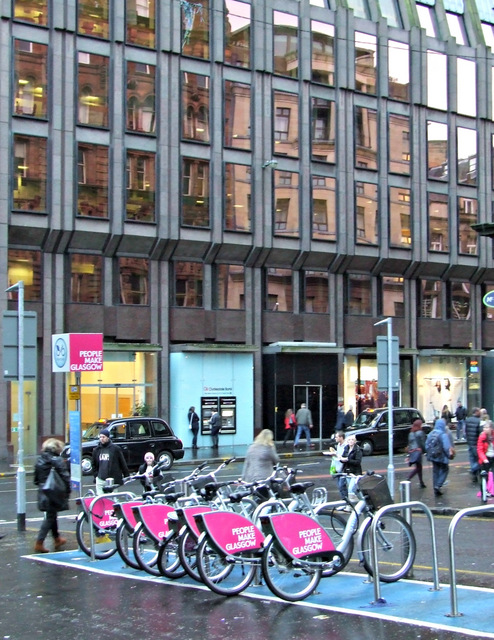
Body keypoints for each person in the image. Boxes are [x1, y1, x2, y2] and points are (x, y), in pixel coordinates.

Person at [33, 438, 71, 553]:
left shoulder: (40, 460)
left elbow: (36, 480)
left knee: (52, 515)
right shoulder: (57, 460)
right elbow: (65, 477)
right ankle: (39, 543)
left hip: (43, 491)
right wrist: (67, 491)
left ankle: (57, 538)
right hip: (54, 491)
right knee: (50, 517)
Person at [92, 428, 130, 495]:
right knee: (100, 499)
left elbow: (122, 462)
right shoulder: (97, 450)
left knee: (112, 499)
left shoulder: (115, 449)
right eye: (100, 437)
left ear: (108, 437)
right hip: (100, 479)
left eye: (103, 437)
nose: (101, 439)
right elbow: (94, 464)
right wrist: (96, 476)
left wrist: (126, 475)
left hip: (112, 480)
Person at [425, 418, 452, 496]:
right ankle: (438, 485)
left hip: (433, 455)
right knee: (445, 469)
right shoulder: (443, 434)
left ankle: (435, 488)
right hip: (441, 456)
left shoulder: (431, 433)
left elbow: (426, 445)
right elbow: (446, 447)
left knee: (435, 471)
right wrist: (449, 455)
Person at [324, 430, 347, 499]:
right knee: (340, 487)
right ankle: (343, 501)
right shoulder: (338, 445)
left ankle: (346, 502)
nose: (335, 438)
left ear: (341, 437)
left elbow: (343, 456)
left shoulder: (345, 446)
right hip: (337, 467)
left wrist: (335, 454)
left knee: (341, 486)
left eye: (336, 437)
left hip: (343, 468)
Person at [338, 435, 363, 500]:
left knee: (351, 489)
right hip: (347, 472)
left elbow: (358, 461)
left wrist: (348, 460)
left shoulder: (358, 449)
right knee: (348, 489)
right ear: (347, 441)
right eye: (349, 440)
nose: (351, 441)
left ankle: (356, 503)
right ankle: (351, 503)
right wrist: (341, 459)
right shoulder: (346, 448)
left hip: (355, 473)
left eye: (352, 440)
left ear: (355, 441)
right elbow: (343, 457)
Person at [406, 419, 427, 488]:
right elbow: (422, 443)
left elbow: (409, 443)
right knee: (418, 468)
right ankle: (408, 477)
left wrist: (409, 453)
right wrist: (425, 451)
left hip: (412, 451)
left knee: (419, 467)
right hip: (418, 451)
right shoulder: (420, 433)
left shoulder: (411, 433)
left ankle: (421, 482)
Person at [465, 407, 482, 483]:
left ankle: (474, 475)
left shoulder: (468, 420)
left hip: (470, 443)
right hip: (476, 444)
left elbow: (466, 432)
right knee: (480, 460)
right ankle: (473, 470)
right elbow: (480, 433)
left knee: (472, 459)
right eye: (479, 411)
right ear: (476, 412)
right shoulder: (479, 421)